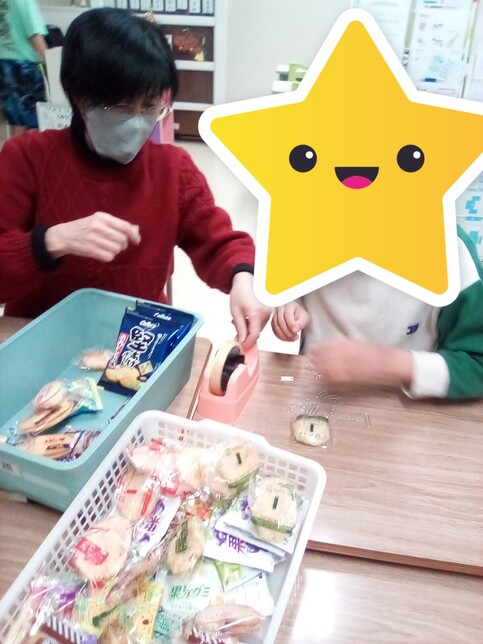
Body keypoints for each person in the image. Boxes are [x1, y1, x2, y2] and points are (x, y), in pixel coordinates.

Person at [0, 8, 270, 347]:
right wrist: (49, 242)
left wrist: (243, 277)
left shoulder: (173, 168)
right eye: (121, 107)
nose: (138, 121)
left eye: (149, 106)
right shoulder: (27, 158)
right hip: (40, 339)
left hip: (136, 340)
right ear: (79, 96)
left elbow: (218, 241)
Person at [271, 228, 483, 398]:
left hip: (404, 407)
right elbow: (291, 287)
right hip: (315, 392)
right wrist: (291, 303)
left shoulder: (451, 249)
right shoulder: (303, 230)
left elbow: (477, 366)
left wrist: (393, 363)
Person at [0, 0, 48, 136]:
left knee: (17, 120)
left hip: (3, 64)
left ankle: (12, 149)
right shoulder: (25, 2)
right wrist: (51, 65)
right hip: (22, 68)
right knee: (32, 121)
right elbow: (35, 37)